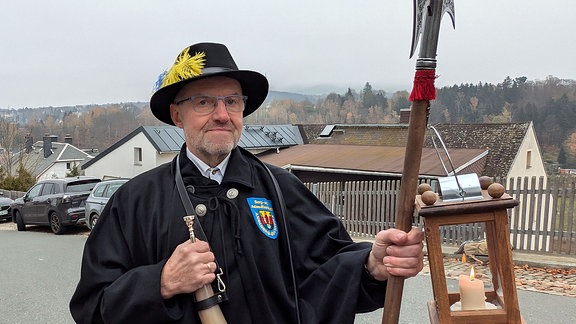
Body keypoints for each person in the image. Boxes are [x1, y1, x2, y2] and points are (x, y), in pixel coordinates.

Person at [70, 42, 425, 324]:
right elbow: (92, 307)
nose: (222, 115)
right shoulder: (135, 201)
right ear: (178, 115)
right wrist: (160, 282)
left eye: (232, 101)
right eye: (205, 102)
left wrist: (372, 266)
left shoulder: (281, 189)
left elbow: (329, 274)